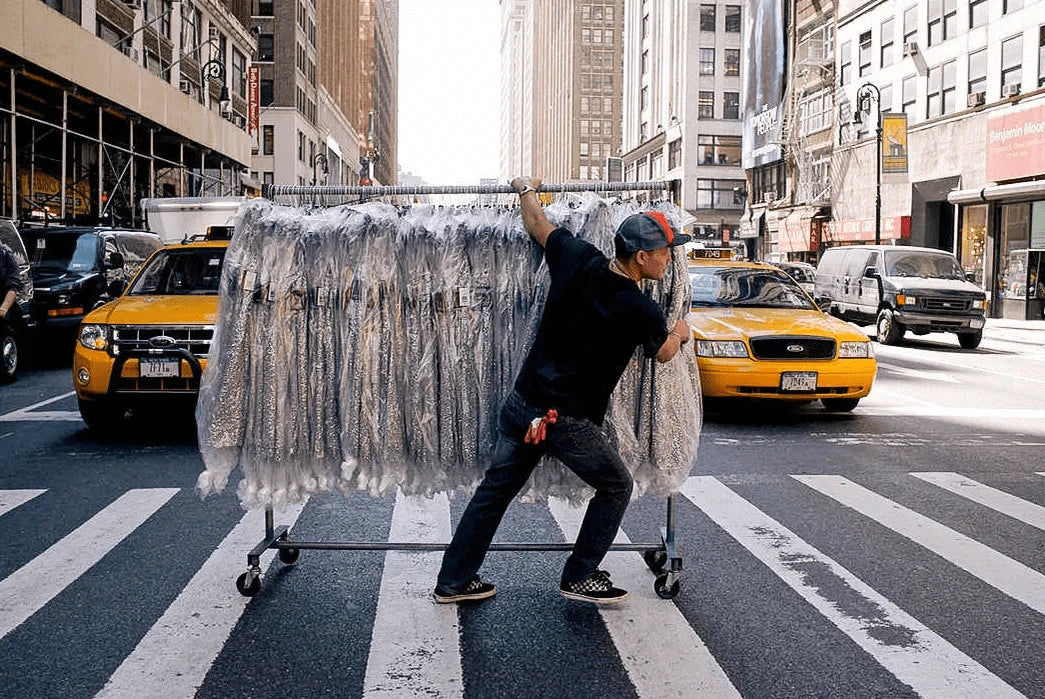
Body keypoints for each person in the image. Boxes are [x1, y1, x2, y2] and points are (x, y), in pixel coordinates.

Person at [433, 176, 692, 605]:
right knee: (616, 486)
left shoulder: (578, 257)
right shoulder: (639, 307)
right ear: (642, 257)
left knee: (493, 494)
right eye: (665, 253)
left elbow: (536, 223)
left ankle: (453, 582)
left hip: (523, 404)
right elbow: (662, 353)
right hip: (564, 420)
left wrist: (525, 189)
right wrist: (680, 333)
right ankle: (580, 574)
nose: (670, 260)